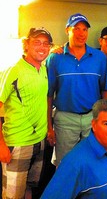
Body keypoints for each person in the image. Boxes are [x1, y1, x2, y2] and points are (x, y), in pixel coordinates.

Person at [46, 13, 107, 167]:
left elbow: (105, 90)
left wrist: (104, 119)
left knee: (92, 162)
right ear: (68, 30)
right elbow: (48, 95)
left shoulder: (99, 57)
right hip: (65, 119)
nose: (81, 33)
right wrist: (49, 127)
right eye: (77, 29)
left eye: (85, 29)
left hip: (91, 118)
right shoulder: (55, 58)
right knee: (64, 165)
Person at [0, 27, 54, 199]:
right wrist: (1, 144)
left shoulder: (44, 70)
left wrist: (49, 130)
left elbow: (44, 101)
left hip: (39, 142)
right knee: (12, 195)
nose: (42, 47)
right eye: (36, 42)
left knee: (30, 188)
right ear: (26, 45)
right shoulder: (13, 71)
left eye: (46, 43)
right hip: (18, 143)